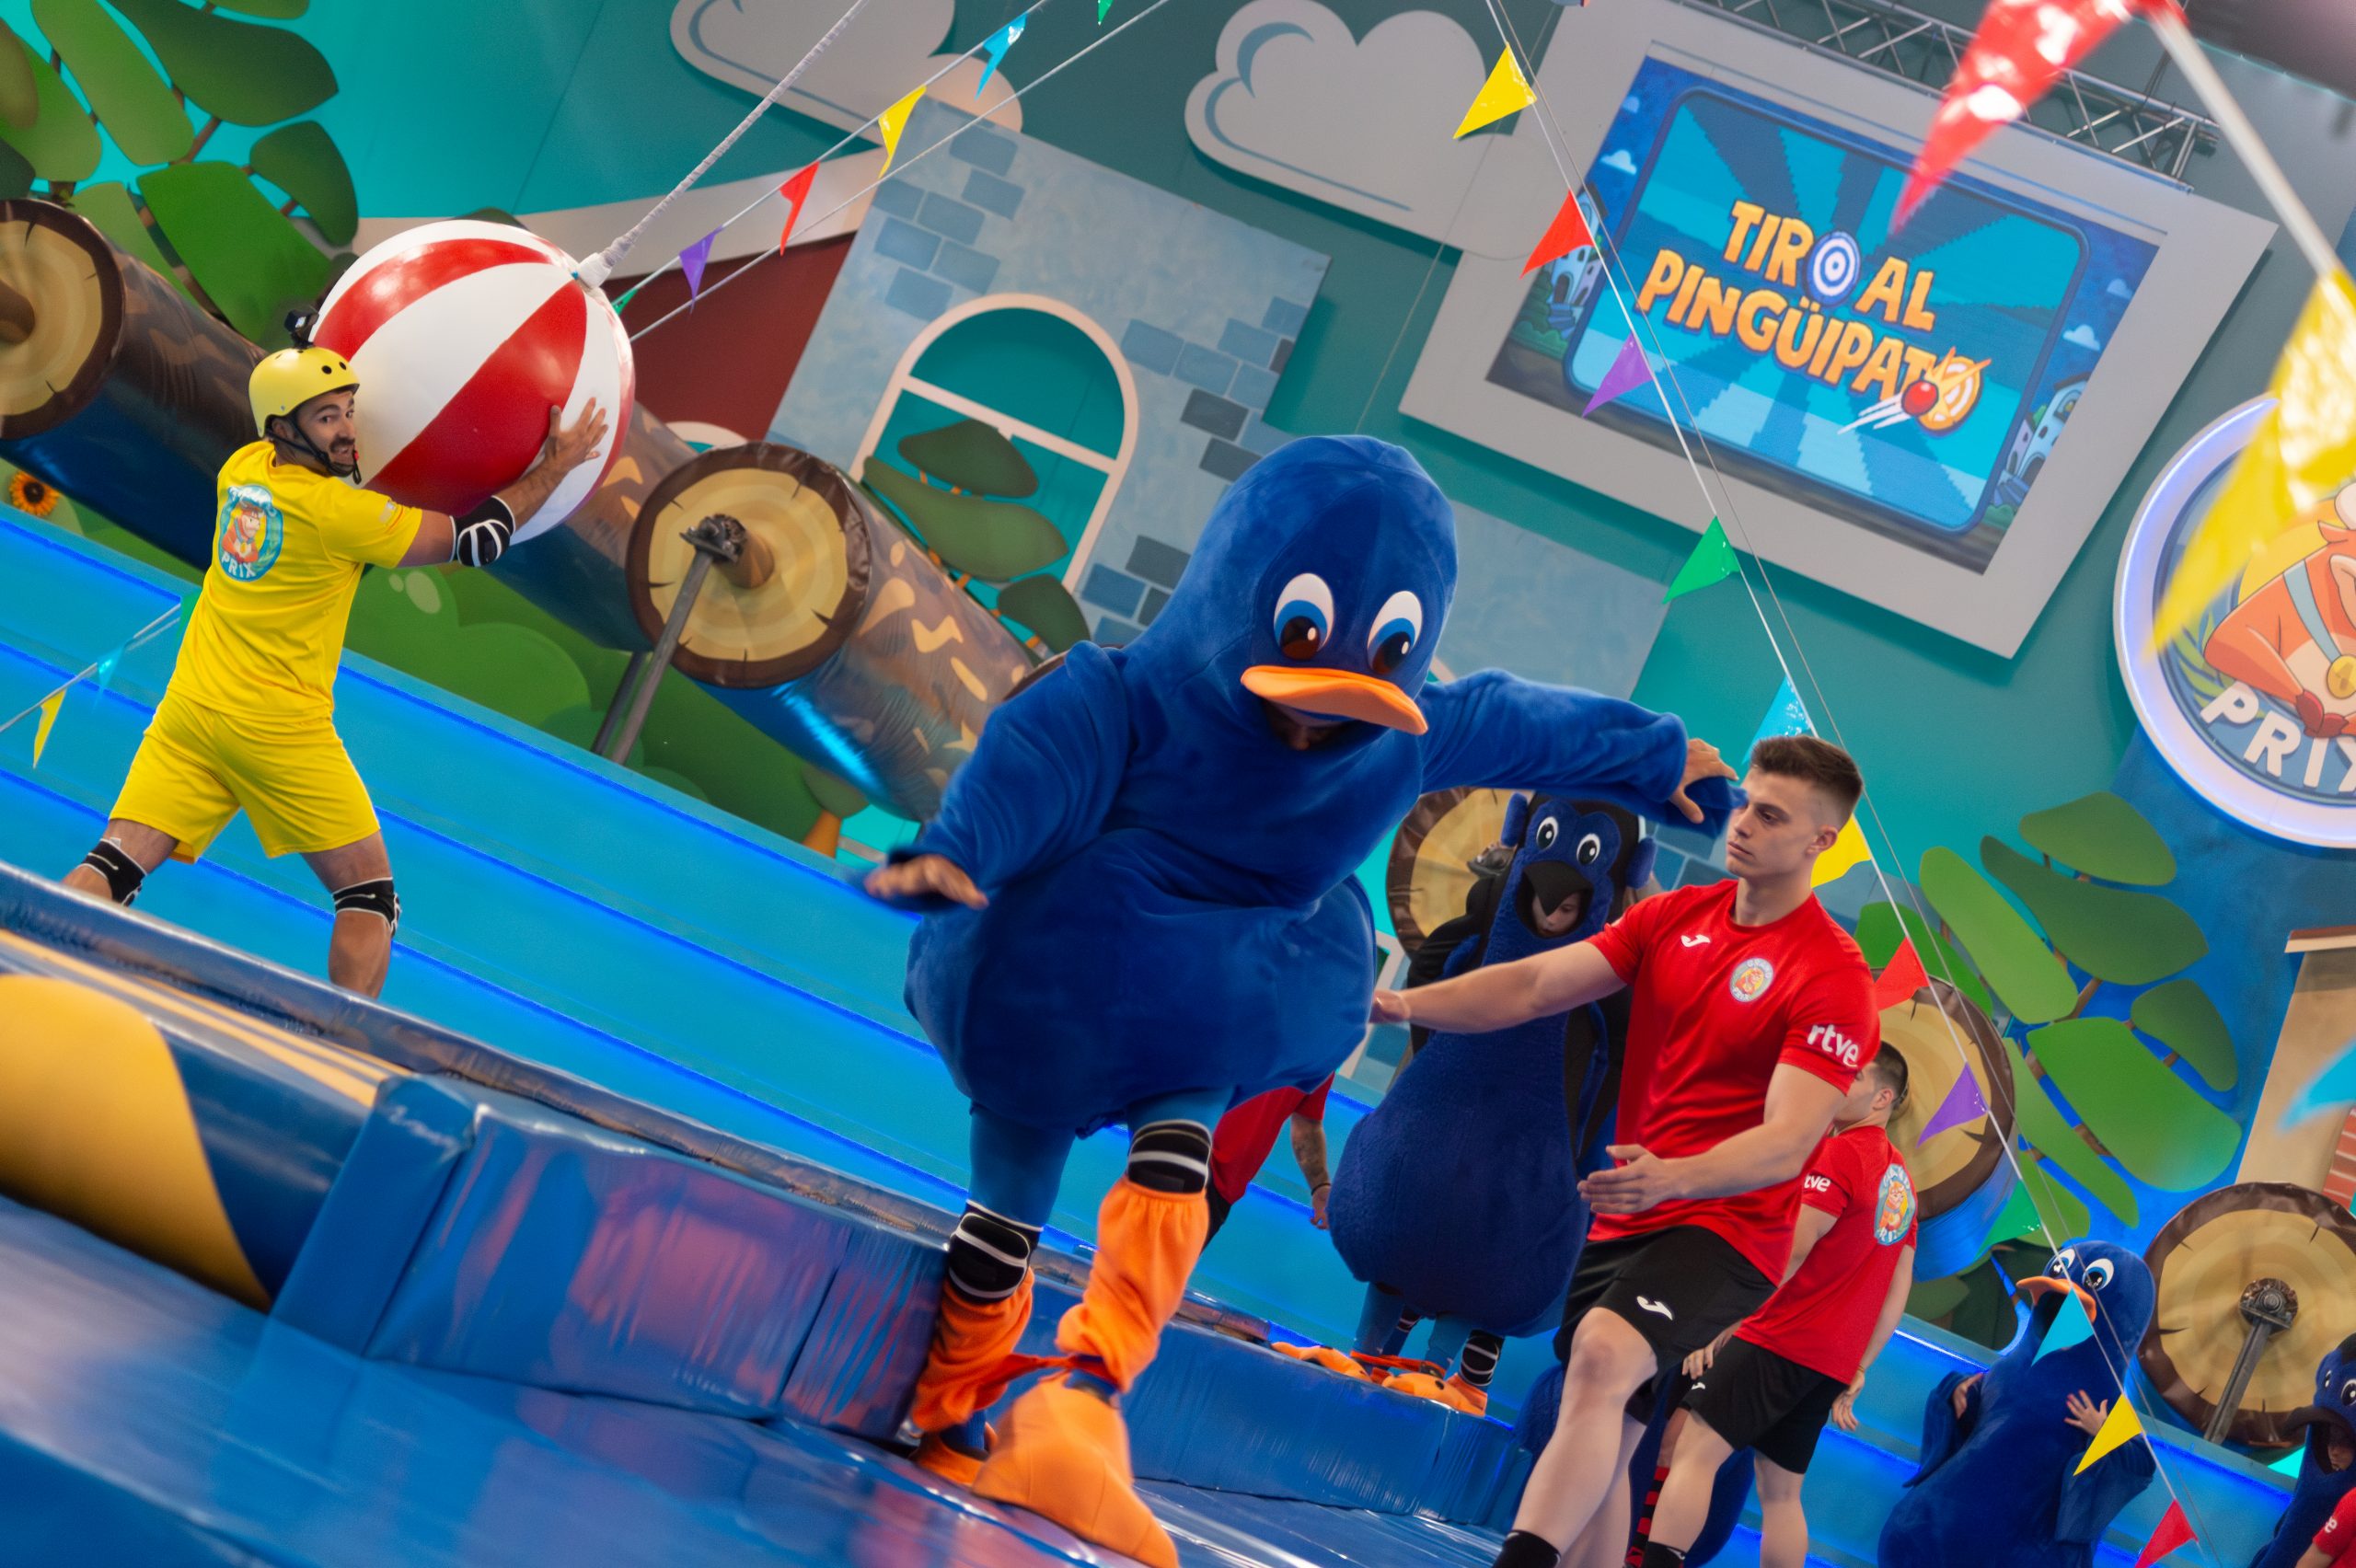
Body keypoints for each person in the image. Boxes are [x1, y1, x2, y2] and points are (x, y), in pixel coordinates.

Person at [1372, 734, 1877, 1568]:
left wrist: (1671, 1179)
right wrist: (1404, 1004)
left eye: (1770, 815)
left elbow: (1787, 1144)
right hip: (1629, 1214)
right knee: (1611, 1429)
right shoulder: (1673, 917)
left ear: (1822, 841)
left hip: (1727, 1228)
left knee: (1603, 1359)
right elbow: (1534, 985)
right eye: (1745, 804)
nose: (1742, 824)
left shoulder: (1832, 976)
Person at [63, 336, 607, 996]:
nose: (349, 429)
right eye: (328, 418)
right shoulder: (337, 515)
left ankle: (27, 969)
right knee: (369, 897)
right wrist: (555, 468)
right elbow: (476, 540)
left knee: (114, 866)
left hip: (192, 711)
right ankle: (341, 1041)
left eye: (349, 410)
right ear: (283, 429)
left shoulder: (243, 469)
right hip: (277, 728)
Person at [1639, 1042, 1917, 1568]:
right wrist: (1859, 1364)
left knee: (1694, 1453)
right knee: (1781, 1494)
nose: (1838, 1083)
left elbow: (1794, 1251)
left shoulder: (1841, 1154)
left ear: (1883, 1097)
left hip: (1780, 1338)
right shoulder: (1902, 1182)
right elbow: (1898, 1285)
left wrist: (1726, 1321)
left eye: (1853, 1077)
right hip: (1827, 1363)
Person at [1204, 1075, 1333, 1242]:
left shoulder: (1324, 1061)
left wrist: (1320, 1184)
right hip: (1184, 1144)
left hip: (1220, 1187)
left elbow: (1307, 1124)